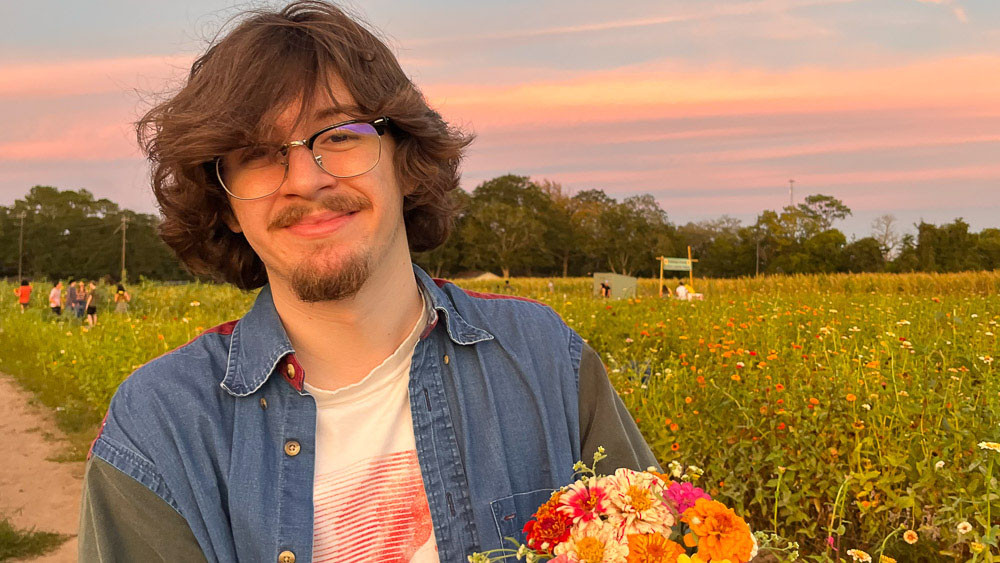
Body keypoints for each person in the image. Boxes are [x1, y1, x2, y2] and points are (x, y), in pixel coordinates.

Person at [78, 3, 657, 562]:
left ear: (405, 161)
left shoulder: (545, 358)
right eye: (255, 153)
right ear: (226, 205)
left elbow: (664, 537)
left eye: (338, 135)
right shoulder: (161, 426)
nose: (304, 180)